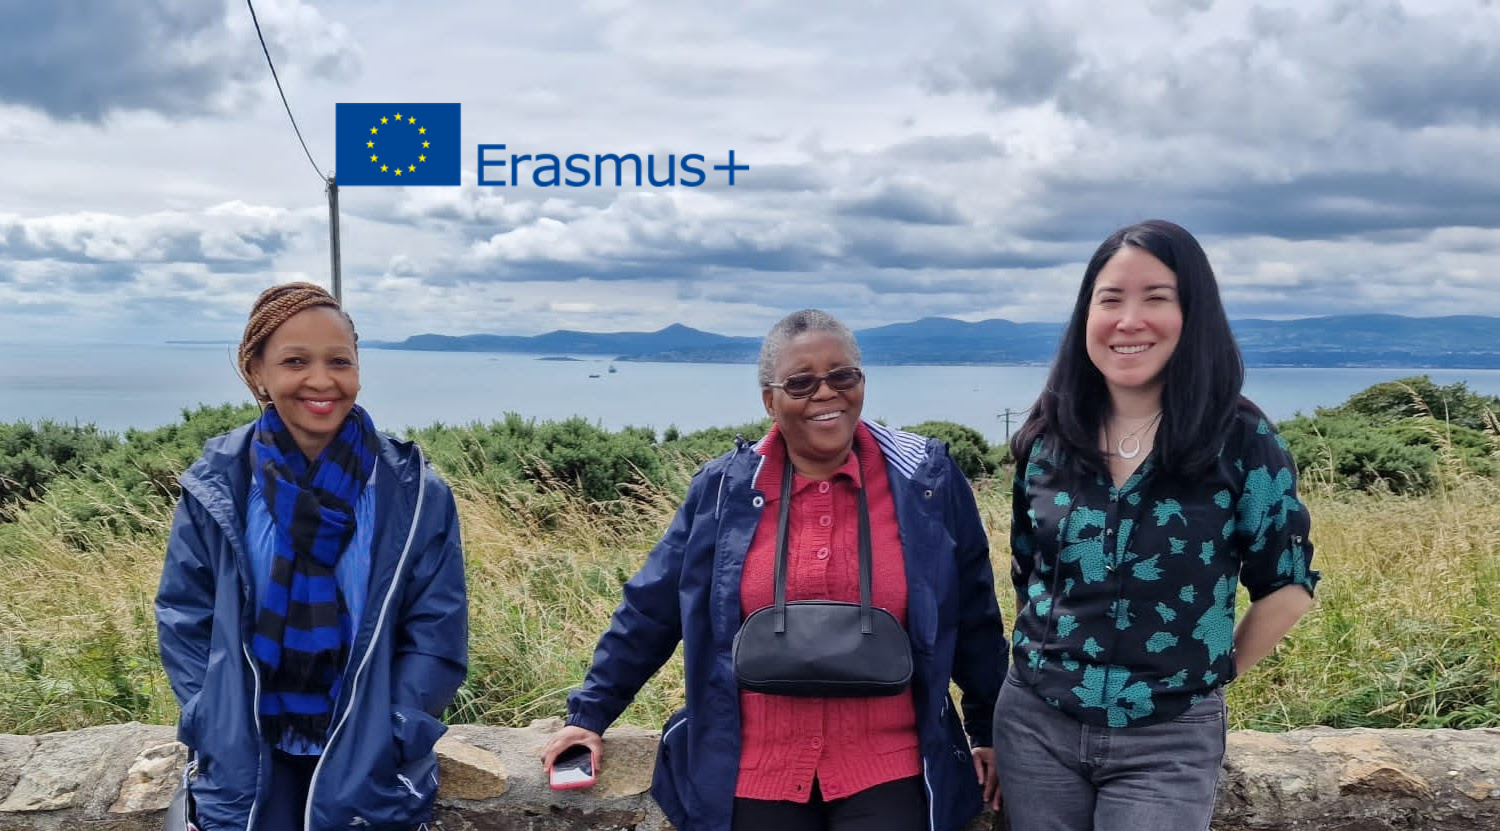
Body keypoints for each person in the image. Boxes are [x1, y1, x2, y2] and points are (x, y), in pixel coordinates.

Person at [541, 309, 1006, 831]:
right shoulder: (724, 491)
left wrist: (986, 728)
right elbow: (652, 608)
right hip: (754, 761)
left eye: (842, 376)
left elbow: (973, 613)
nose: (825, 393)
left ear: (862, 383)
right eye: (801, 383)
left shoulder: (925, 481)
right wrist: (588, 718)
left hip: (889, 758)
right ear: (770, 399)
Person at [994, 220, 1320, 830]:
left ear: (1192, 313)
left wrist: (1204, 680)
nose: (1129, 320)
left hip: (1169, 739)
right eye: (1110, 300)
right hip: (1035, 725)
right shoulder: (1049, 438)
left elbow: (1288, 584)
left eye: (1156, 298)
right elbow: (1027, 573)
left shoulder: (1242, 442)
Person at [155, 282, 468, 831]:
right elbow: (185, 614)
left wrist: (397, 729)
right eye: (295, 360)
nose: (322, 381)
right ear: (256, 371)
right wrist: (208, 717)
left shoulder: (413, 491)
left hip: (366, 751)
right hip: (248, 754)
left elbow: (436, 629)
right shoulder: (219, 484)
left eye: (339, 361)